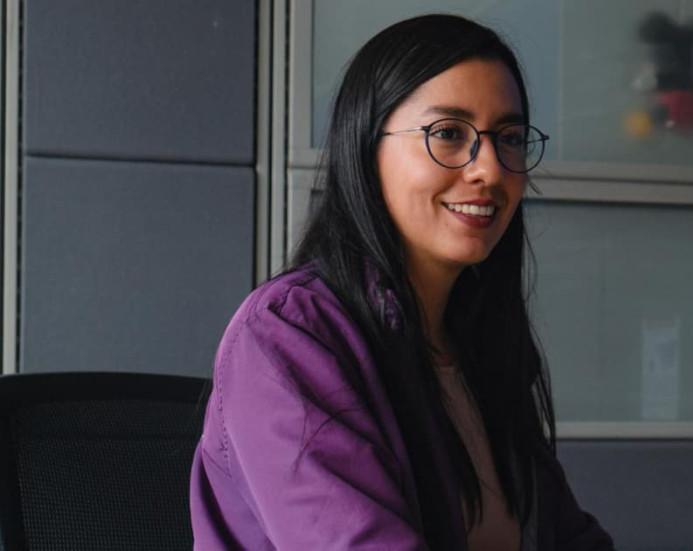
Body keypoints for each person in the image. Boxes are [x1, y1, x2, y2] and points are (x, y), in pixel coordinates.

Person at [189, 13, 615, 551]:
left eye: (509, 138)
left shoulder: (479, 340)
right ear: (367, 148)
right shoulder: (287, 335)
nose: (490, 170)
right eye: (449, 133)